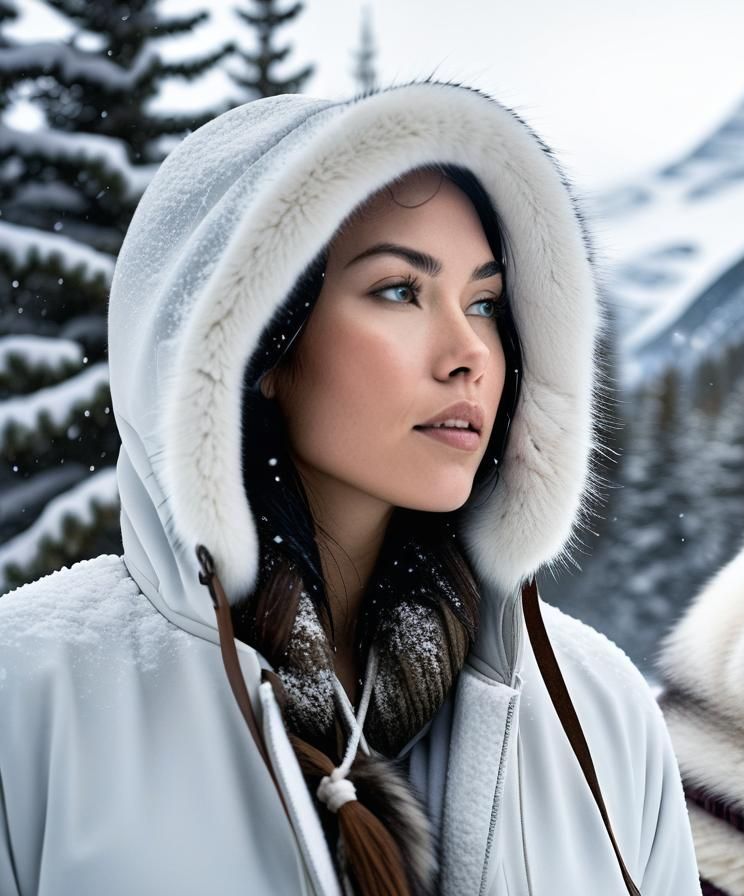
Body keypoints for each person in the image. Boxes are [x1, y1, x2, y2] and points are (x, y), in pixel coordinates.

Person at [0, 81, 702, 895]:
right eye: (400, 291)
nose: (468, 352)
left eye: (485, 303)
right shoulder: (30, 692)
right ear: (257, 342)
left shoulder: (599, 709)